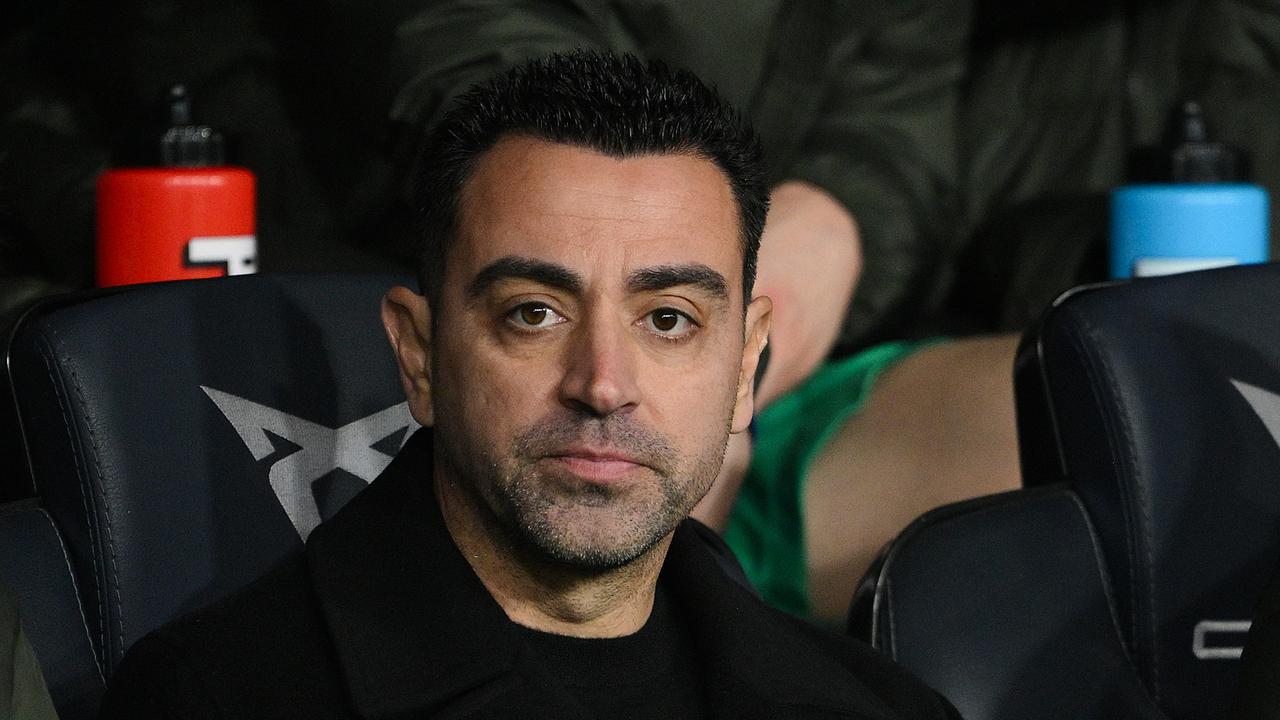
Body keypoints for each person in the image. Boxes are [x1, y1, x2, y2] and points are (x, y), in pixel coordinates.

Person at [97, 51, 961, 718]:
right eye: (534, 313)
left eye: (667, 319)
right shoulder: (219, 698)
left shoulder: (881, 708)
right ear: (421, 355)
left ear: (744, 367)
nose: (603, 384)